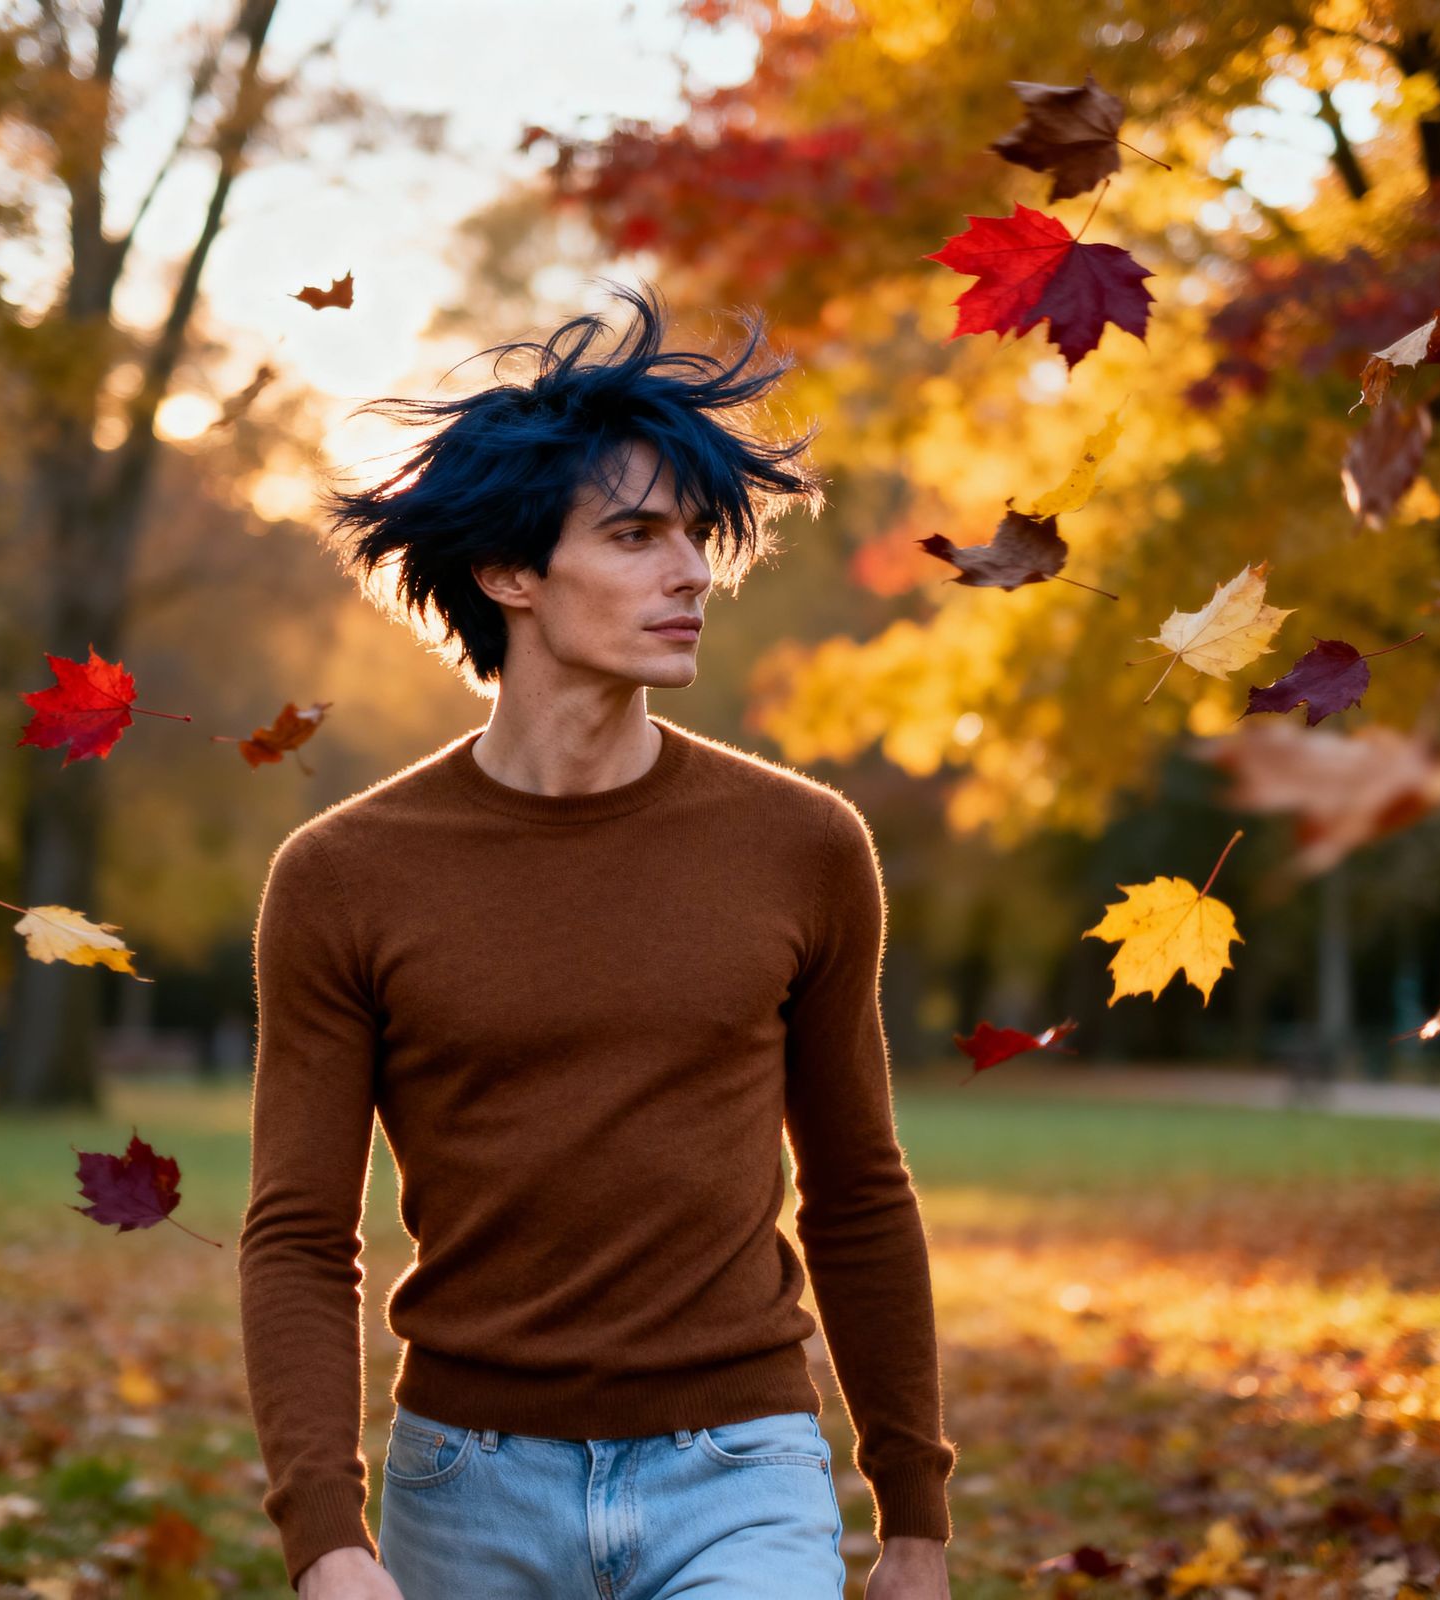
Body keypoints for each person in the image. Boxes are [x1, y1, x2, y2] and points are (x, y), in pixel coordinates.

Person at [237, 280, 957, 1599]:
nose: (691, 573)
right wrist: (326, 1544)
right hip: (467, 1486)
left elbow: (858, 1187)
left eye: (695, 537)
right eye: (634, 536)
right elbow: (298, 1233)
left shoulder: (804, 845)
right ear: (510, 572)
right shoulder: (341, 878)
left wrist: (913, 1509)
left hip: (742, 1472)